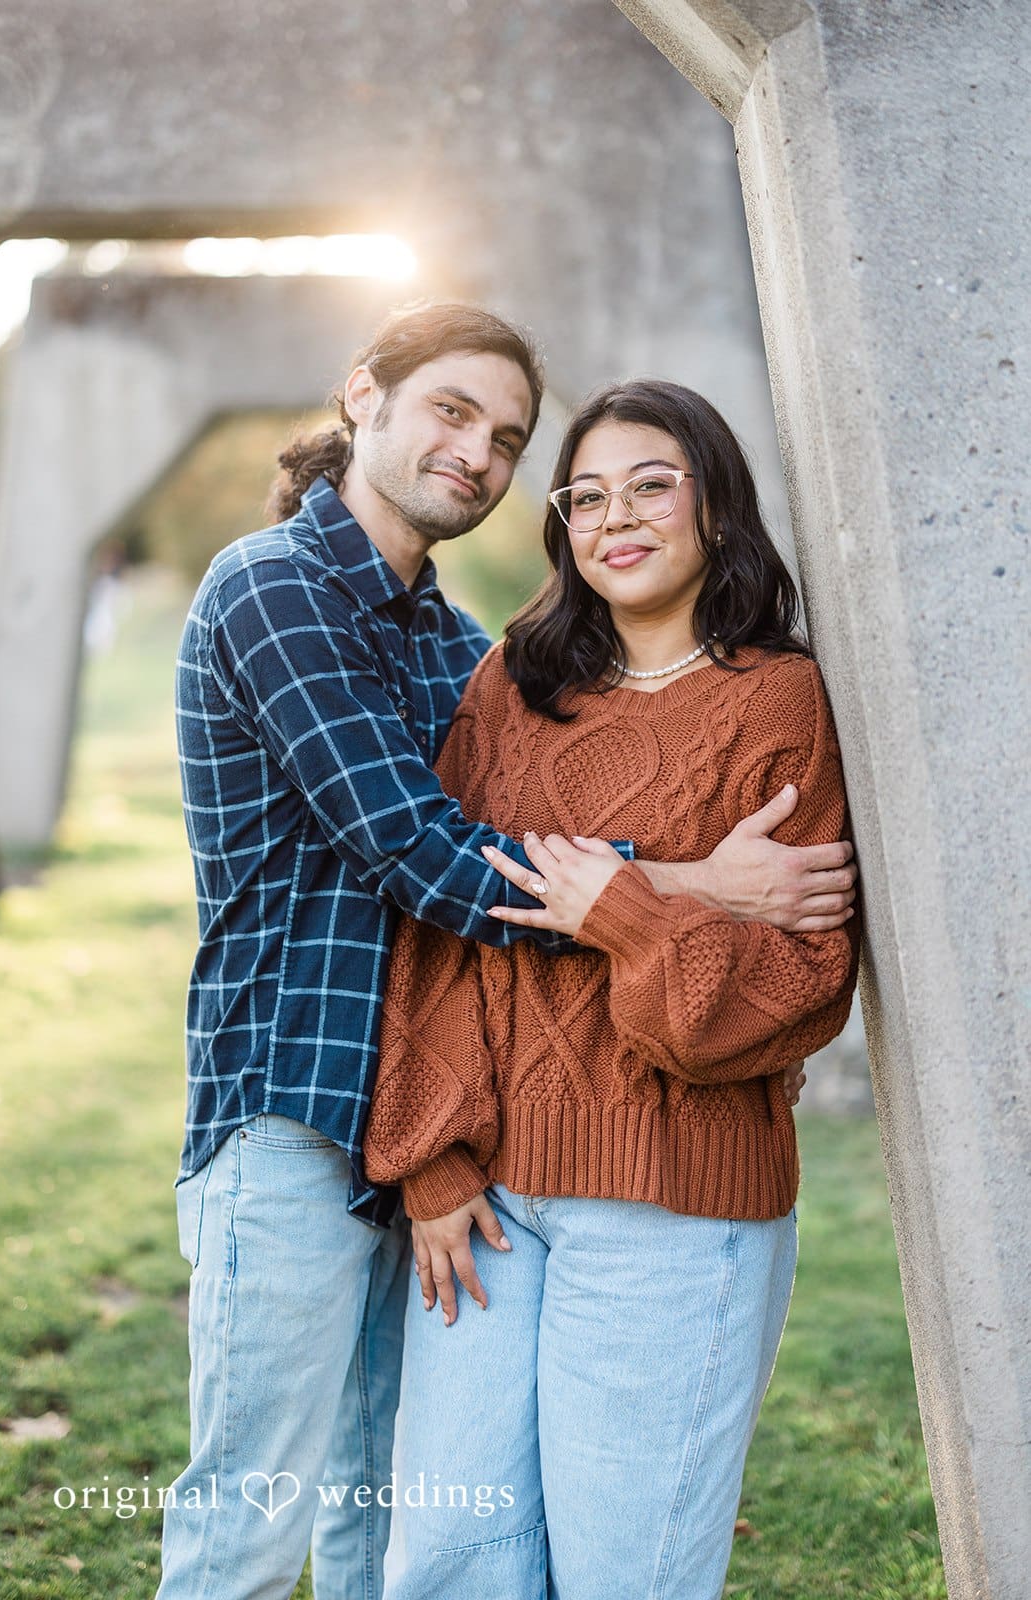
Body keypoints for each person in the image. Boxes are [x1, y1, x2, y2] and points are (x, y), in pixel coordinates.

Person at [160, 302, 857, 1600]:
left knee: (389, 1528)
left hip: (426, 1130)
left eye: (506, 438)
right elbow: (422, 855)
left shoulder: (466, 652)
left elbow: (518, 860)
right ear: (362, 394)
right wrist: (692, 888)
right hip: (295, 1112)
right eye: (450, 412)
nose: (477, 455)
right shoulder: (272, 588)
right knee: (251, 1521)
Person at [364, 379, 860, 1600]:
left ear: (714, 508)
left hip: (673, 1210)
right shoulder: (509, 689)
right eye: (584, 495)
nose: (611, 517)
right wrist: (428, 1159)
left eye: (649, 485)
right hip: (483, 1206)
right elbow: (438, 930)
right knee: (445, 1563)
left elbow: (800, 981)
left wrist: (627, 914)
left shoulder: (776, 699)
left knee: (620, 1574)